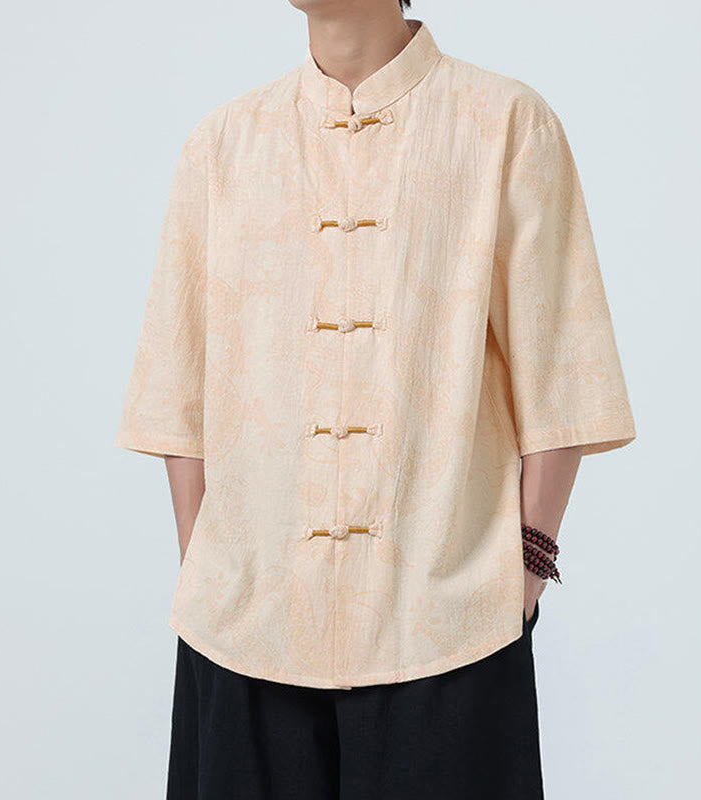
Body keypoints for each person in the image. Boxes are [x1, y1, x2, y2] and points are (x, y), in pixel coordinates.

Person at [115, 1, 637, 797]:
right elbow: (178, 385)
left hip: (445, 627)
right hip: (244, 627)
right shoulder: (223, 143)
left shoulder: (504, 124)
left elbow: (562, 370)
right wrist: (209, 566)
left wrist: (527, 567)